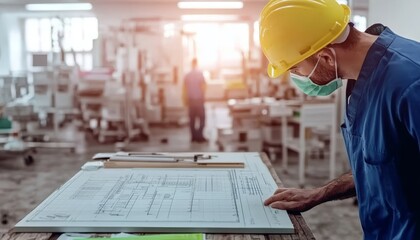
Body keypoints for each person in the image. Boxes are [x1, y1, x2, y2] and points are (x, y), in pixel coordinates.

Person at [259, 0, 420, 239]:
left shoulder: (410, 84)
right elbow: (380, 168)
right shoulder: (361, 79)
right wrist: (319, 194)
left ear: (326, 58)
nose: (296, 78)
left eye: (295, 69)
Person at [183, 58, 207, 143]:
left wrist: (185, 99)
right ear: (197, 64)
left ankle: (193, 137)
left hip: (191, 100)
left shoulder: (187, 75)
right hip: (199, 100)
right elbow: (203, 86)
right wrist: (203, 97)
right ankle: (199, 136)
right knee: (202, 119)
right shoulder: (200, 74)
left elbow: (184, 88)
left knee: (192, 120)